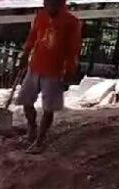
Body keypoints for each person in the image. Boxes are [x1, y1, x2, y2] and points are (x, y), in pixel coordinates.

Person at [17, 0, 81, 154]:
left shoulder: (71, 22)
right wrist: (25, 54)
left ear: (61, 4)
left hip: (54, 71)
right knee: (25, 100)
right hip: (35, 66)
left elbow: (74, 48)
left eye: (54, 3)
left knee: (48, 108)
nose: (50, 6)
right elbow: (32, 37)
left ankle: (40, 140)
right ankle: (32, 129)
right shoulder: (41, 16)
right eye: (48, 3)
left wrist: (70, 70)